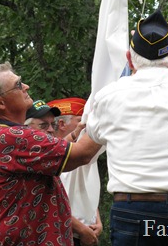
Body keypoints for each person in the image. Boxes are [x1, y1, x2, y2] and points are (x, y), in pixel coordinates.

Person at [85, 9, 168, 246]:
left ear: (129, 59)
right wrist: (160, 42)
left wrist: (141, 39)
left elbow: (93, 137)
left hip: (136, 211)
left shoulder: (109, 96)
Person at [0, 63, 101, 246]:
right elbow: (81, 155)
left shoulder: (1, 134)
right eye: (18, 85)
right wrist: (109, 114)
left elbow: (60, 148)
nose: (26, 87)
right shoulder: (13, 137)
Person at [48, 98, 103, 246]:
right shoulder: (52, 156)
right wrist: (82, 229)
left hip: (88, 232)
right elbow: (53, 200)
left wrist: (96, 220)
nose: (85, 126)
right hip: (64, 234)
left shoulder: (86, 150)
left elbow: (85, 189)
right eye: (80, 120)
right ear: (61, 124)